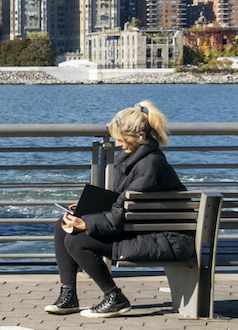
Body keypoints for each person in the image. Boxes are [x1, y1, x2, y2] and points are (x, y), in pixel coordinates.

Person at [47, 100, 186, 318]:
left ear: (141, 136)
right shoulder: (134, 160)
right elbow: (122, 203)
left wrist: (86, 223)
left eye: (121, 138)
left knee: (77, 239)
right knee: (61, 226)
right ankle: (69, 296)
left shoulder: (150, 166)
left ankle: (115, 297)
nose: (118, 143)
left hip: (166, 238)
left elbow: (120, 214)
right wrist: (85, 210)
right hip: (142, 227)